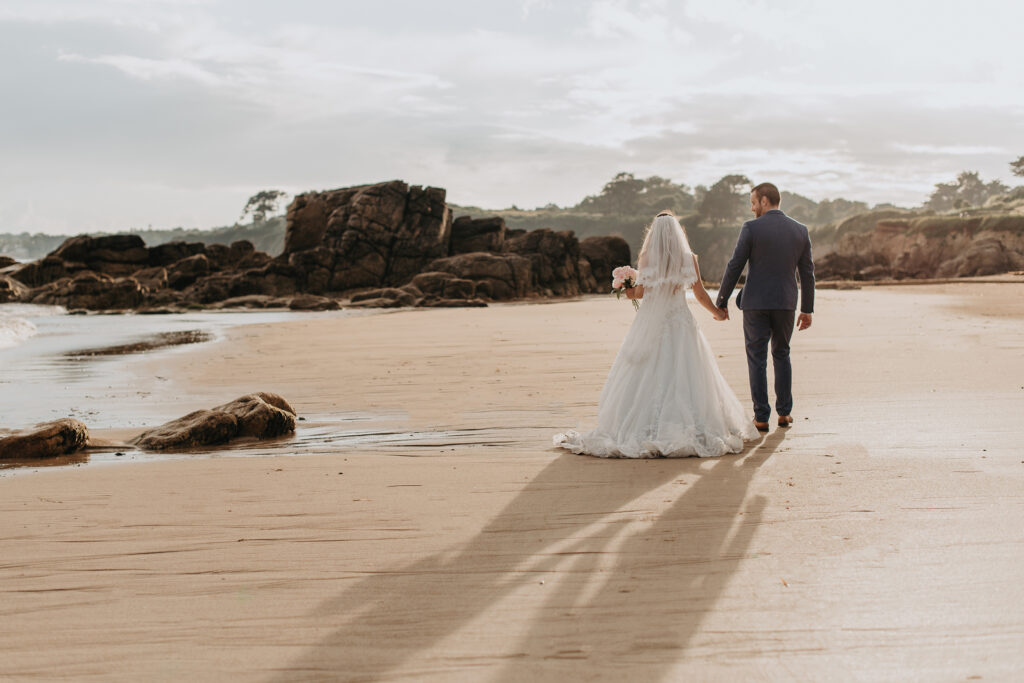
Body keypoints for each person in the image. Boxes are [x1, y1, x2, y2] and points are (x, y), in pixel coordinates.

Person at [553, 211, 758, 458]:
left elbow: (641, 292)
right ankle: (696, 426)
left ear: (654, 233)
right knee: (688, 373)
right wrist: (717, 312)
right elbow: (700, 293)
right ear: (677, 232)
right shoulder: (689, 258)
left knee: (646, 372)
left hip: (651, 323)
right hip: (681, 322)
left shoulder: (647, 257)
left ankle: (647, 425)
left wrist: (627, 289)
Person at [715, 182, 815, 432]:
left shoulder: (751, 228)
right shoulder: (800, 230)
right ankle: (784, 413)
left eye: (753, 202)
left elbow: (735, 265)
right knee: (782, 354)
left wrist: (722, 301)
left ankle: (761, 417)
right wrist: (807, 309)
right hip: (785, 303)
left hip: (755, 304)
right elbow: (807, 274)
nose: (752, 208)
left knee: (756, 358)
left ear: (765, 201)